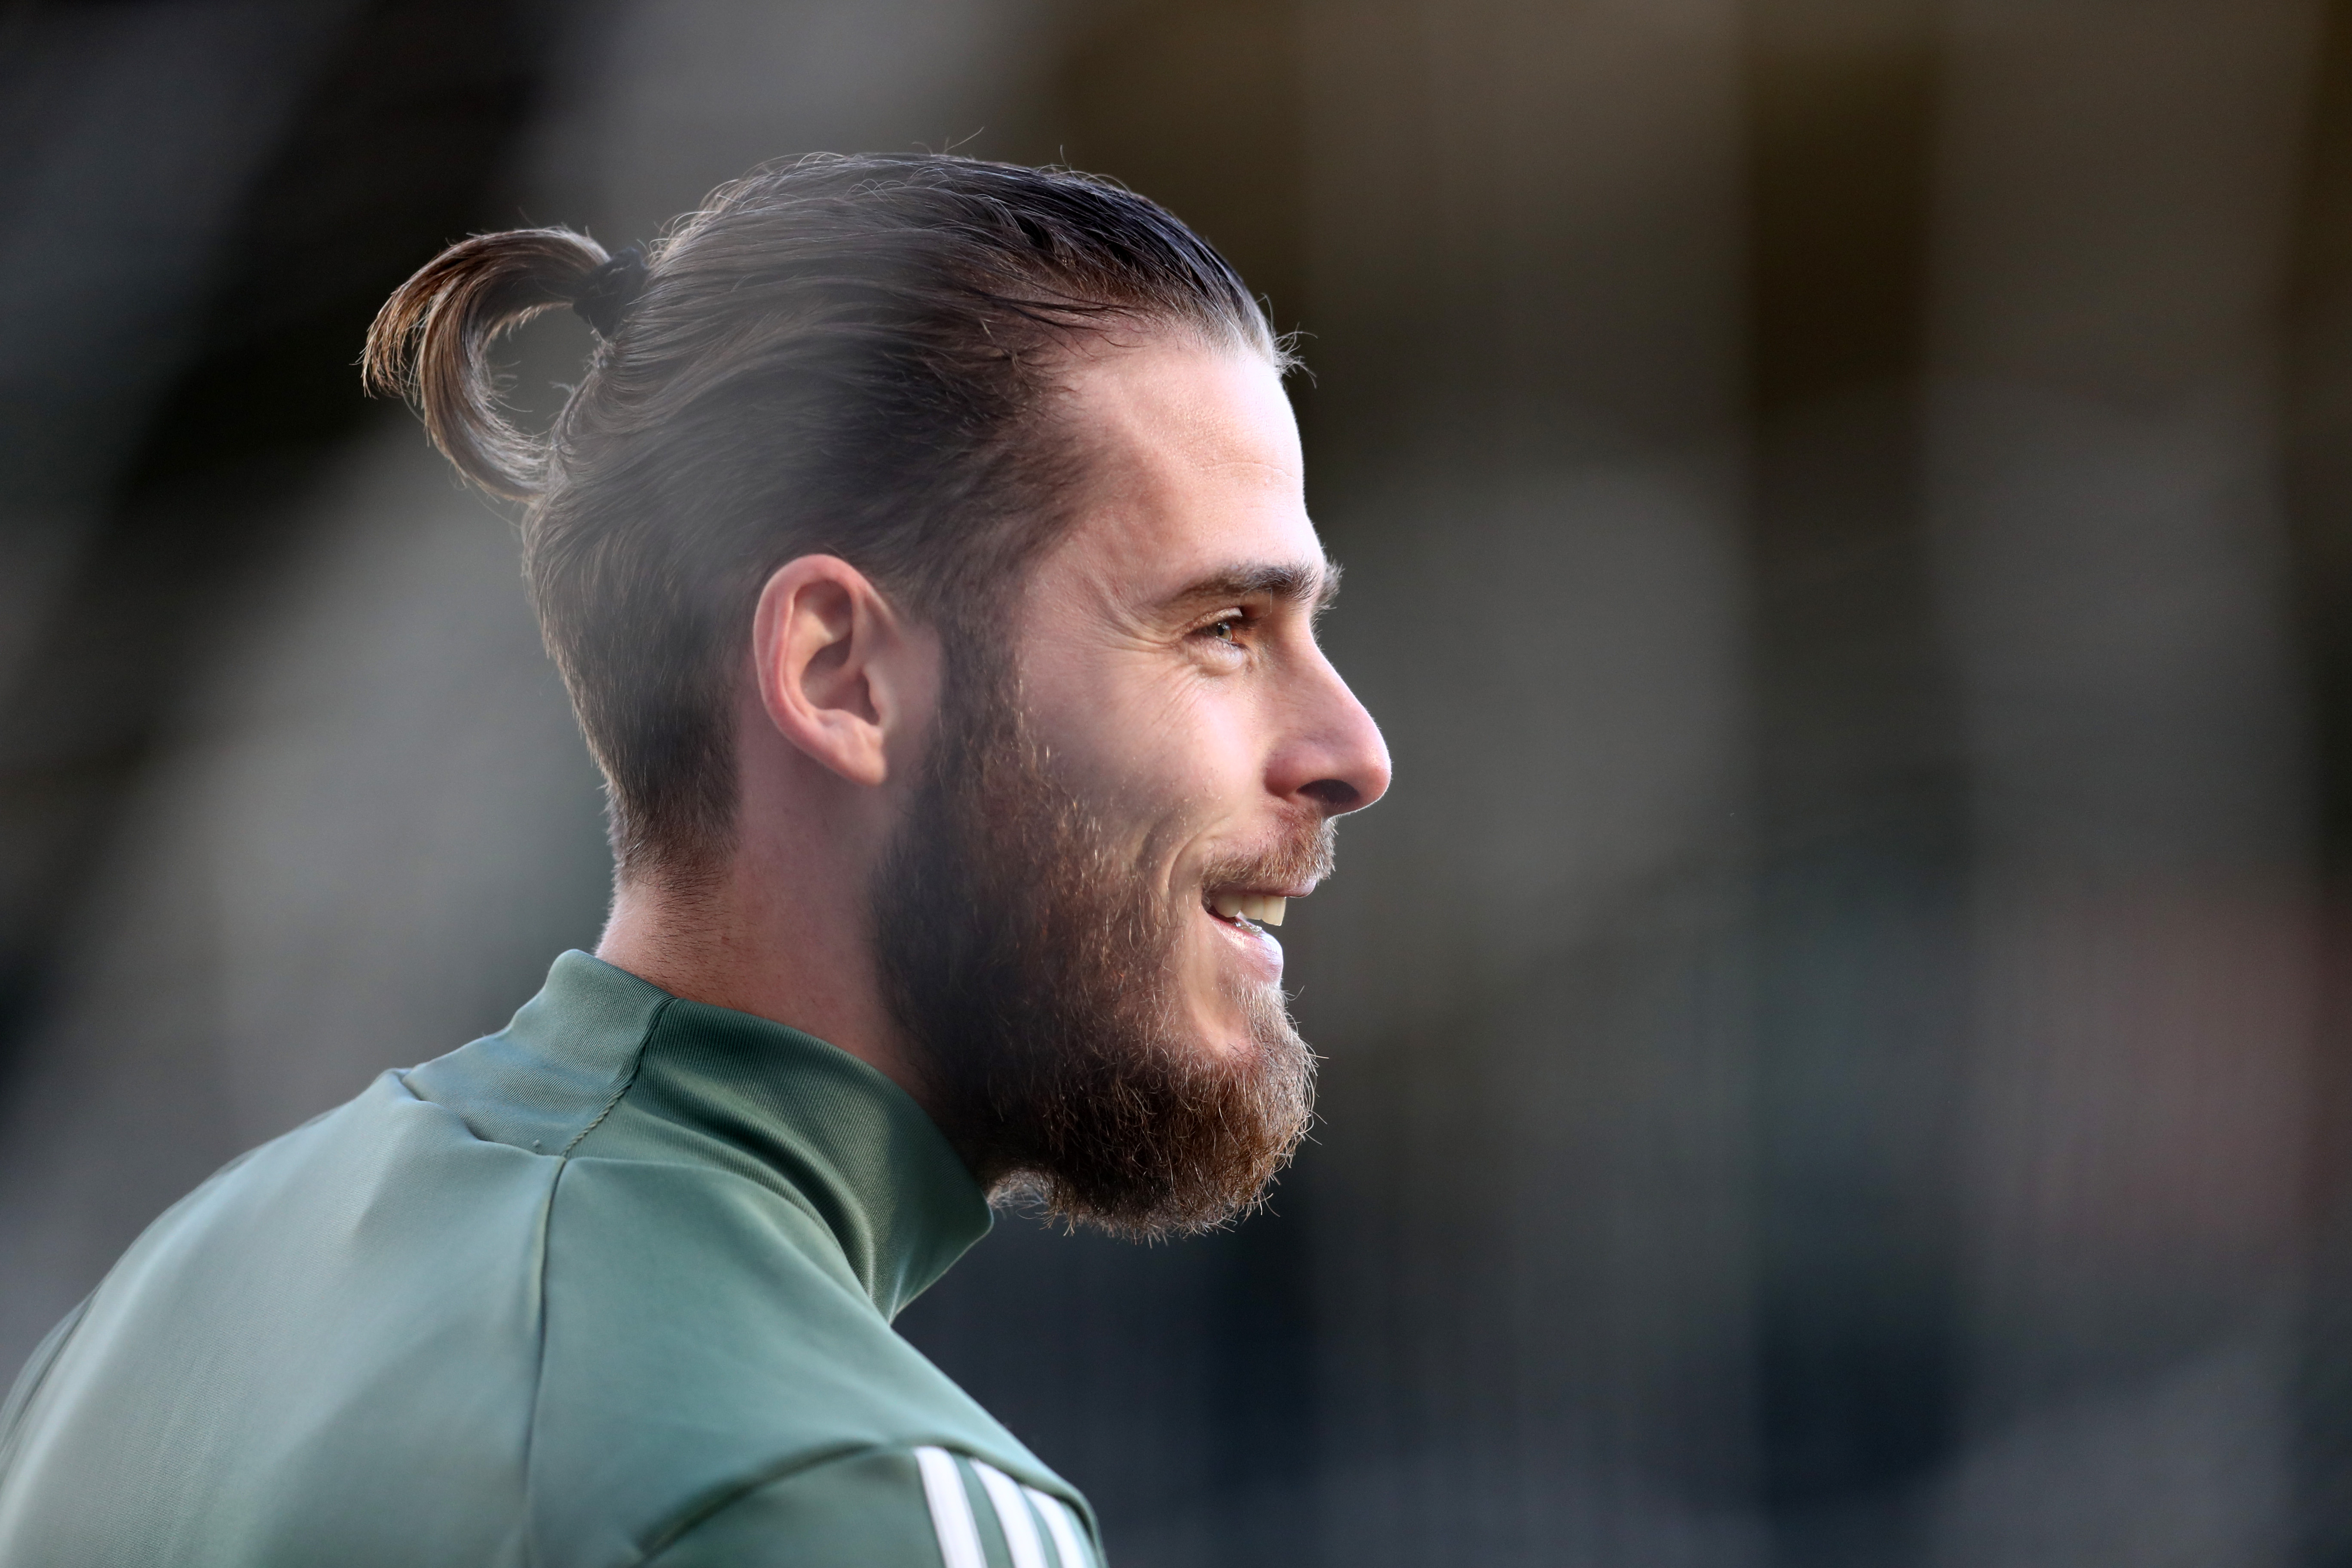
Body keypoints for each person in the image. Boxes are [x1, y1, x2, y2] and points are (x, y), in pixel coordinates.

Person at [0, 154, 1389, 1566]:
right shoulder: (840, 1485)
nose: (1353, 750)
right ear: (838, 674)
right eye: (1222, 627)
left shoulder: (156, 1315)